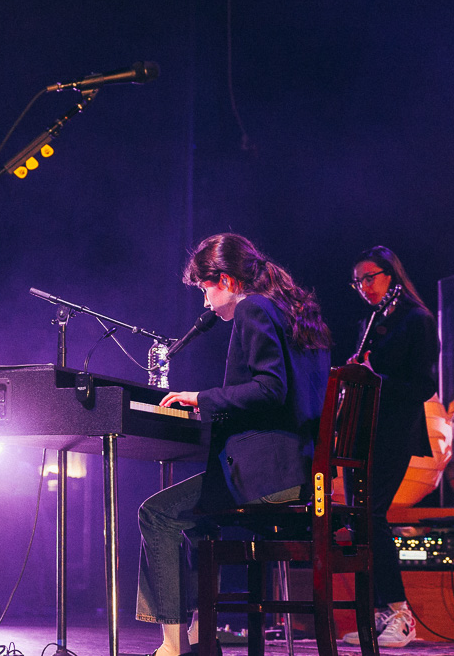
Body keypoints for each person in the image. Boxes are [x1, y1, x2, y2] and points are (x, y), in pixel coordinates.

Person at [136, 233, 332, 656]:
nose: (204, 301)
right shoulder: (298, 311)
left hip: (270, 475)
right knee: (200, 515)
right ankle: (197, 637)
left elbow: (270, 388)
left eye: (204, 289)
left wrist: (201, 398)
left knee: (157, 514)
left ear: (224, 279)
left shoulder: (253, 308)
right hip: (303, 471)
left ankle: (174, 647)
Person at [342, 246, 440, 649]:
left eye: (370, 277)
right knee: (359, 520)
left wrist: (374, 376)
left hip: (394, 431)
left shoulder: (416, 319)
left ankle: (401, 612)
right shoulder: (374, 319)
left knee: (371, 516)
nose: (363, 287)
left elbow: (423, 386)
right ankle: (380, 613)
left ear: (391, 275)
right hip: (364, 429)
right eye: (358, 281)